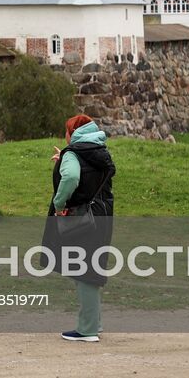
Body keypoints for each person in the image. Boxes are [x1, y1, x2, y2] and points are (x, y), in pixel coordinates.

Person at [46, 114, 115, 343]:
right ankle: (95, 322)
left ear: (72, 133)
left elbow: (73, 177)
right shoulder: (99, 151)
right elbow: (89, 175)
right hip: (102, 215)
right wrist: (63, 160)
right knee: (91, 268)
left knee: (84, 273)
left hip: (81, 219)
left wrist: (59, 203)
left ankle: (87, 330)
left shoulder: (74, 154)